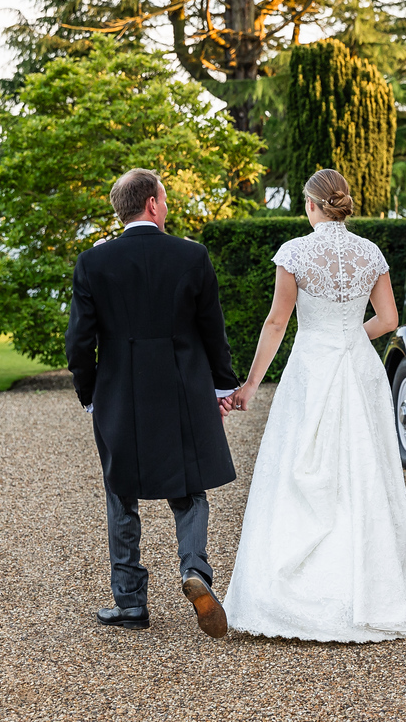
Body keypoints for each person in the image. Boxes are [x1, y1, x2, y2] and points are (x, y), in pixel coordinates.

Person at [223, 169, 406, 642]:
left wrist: (251, 385)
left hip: (312, 367)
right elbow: (388, 318)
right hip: (358, 366)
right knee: (364, 467)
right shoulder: (371, 252)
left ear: (311, 205)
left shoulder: (295, 253)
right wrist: (349, 339)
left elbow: (277, 323)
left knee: (301, 464)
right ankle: (374, 585)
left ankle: (296, 591)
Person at [65, 168, 238, 639]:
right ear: (153, 205)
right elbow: (213, 329)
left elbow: (79, 343)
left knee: (120, 492)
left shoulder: (93, 262)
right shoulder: (191, 255)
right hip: (183, 391)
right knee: (189, 489)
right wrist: (222, 386)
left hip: (119, 393)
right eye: (165, 199)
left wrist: (89, 394)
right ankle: (195, 569)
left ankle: (130, 603)